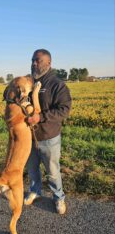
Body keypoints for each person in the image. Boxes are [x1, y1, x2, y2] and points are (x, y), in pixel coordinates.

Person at [24, 49, 72, 214]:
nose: (34, 63)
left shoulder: (57, 84)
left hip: (49, 137)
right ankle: (35, 191)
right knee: (32, 169)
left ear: (49, 63)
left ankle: (58, 198)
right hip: (28, 137)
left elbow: (64, 110)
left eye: (38, 60)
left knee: (52, 172)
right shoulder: (28, 82)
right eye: (32, 60)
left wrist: (41, 117)